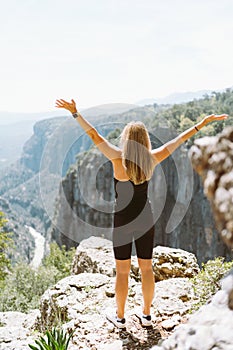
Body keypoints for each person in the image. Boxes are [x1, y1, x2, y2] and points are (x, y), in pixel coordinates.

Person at [55, 98, 228, 328]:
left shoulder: (117, 158)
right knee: (147, 268)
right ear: (145, 140)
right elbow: (178, 141)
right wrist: (202, 124)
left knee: (123, 272)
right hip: (146, 217)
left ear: (126, 140)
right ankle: (146, 315)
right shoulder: (152, 158)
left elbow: (95, 136)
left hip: (123, 220)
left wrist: (75, 113)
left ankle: (120, 317)